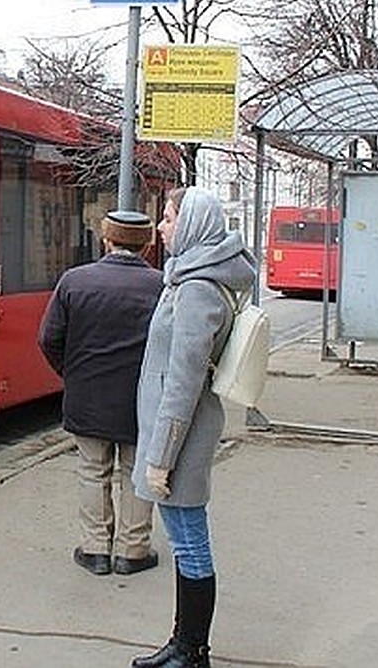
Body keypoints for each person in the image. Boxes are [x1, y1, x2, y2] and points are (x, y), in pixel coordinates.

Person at [130, 187, 257, 668]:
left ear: (193, 223)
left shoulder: (198, 288)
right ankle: (182, 644)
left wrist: (160, 458)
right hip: (177, 432)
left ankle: (192, 650)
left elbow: (183, 382)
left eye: (168, 216)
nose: (161, 226)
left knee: (190, 543)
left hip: (180, 438)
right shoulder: (189, 277)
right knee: (186, 543)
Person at [38, 209, 165, 577]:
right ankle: (132, 551)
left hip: (87, 396)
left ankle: (95, 549)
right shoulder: (162, 286)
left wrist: (72, 373)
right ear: (146, 244)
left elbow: (49, 338)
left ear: (106, 240)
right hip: (140, 401)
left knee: (92, 471)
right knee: (135, 473)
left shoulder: (75, 281)